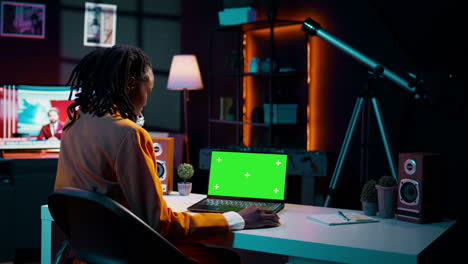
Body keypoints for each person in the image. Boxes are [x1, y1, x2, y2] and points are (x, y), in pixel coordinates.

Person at [54, 45, 280, 264]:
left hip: (91, 256)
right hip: (133, 255)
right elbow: (160, 224)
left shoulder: (73, 122)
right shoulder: (129, 134)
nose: (146, 100)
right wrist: (236, 218)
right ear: (131, 85)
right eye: (148, 90)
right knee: (226, 258)